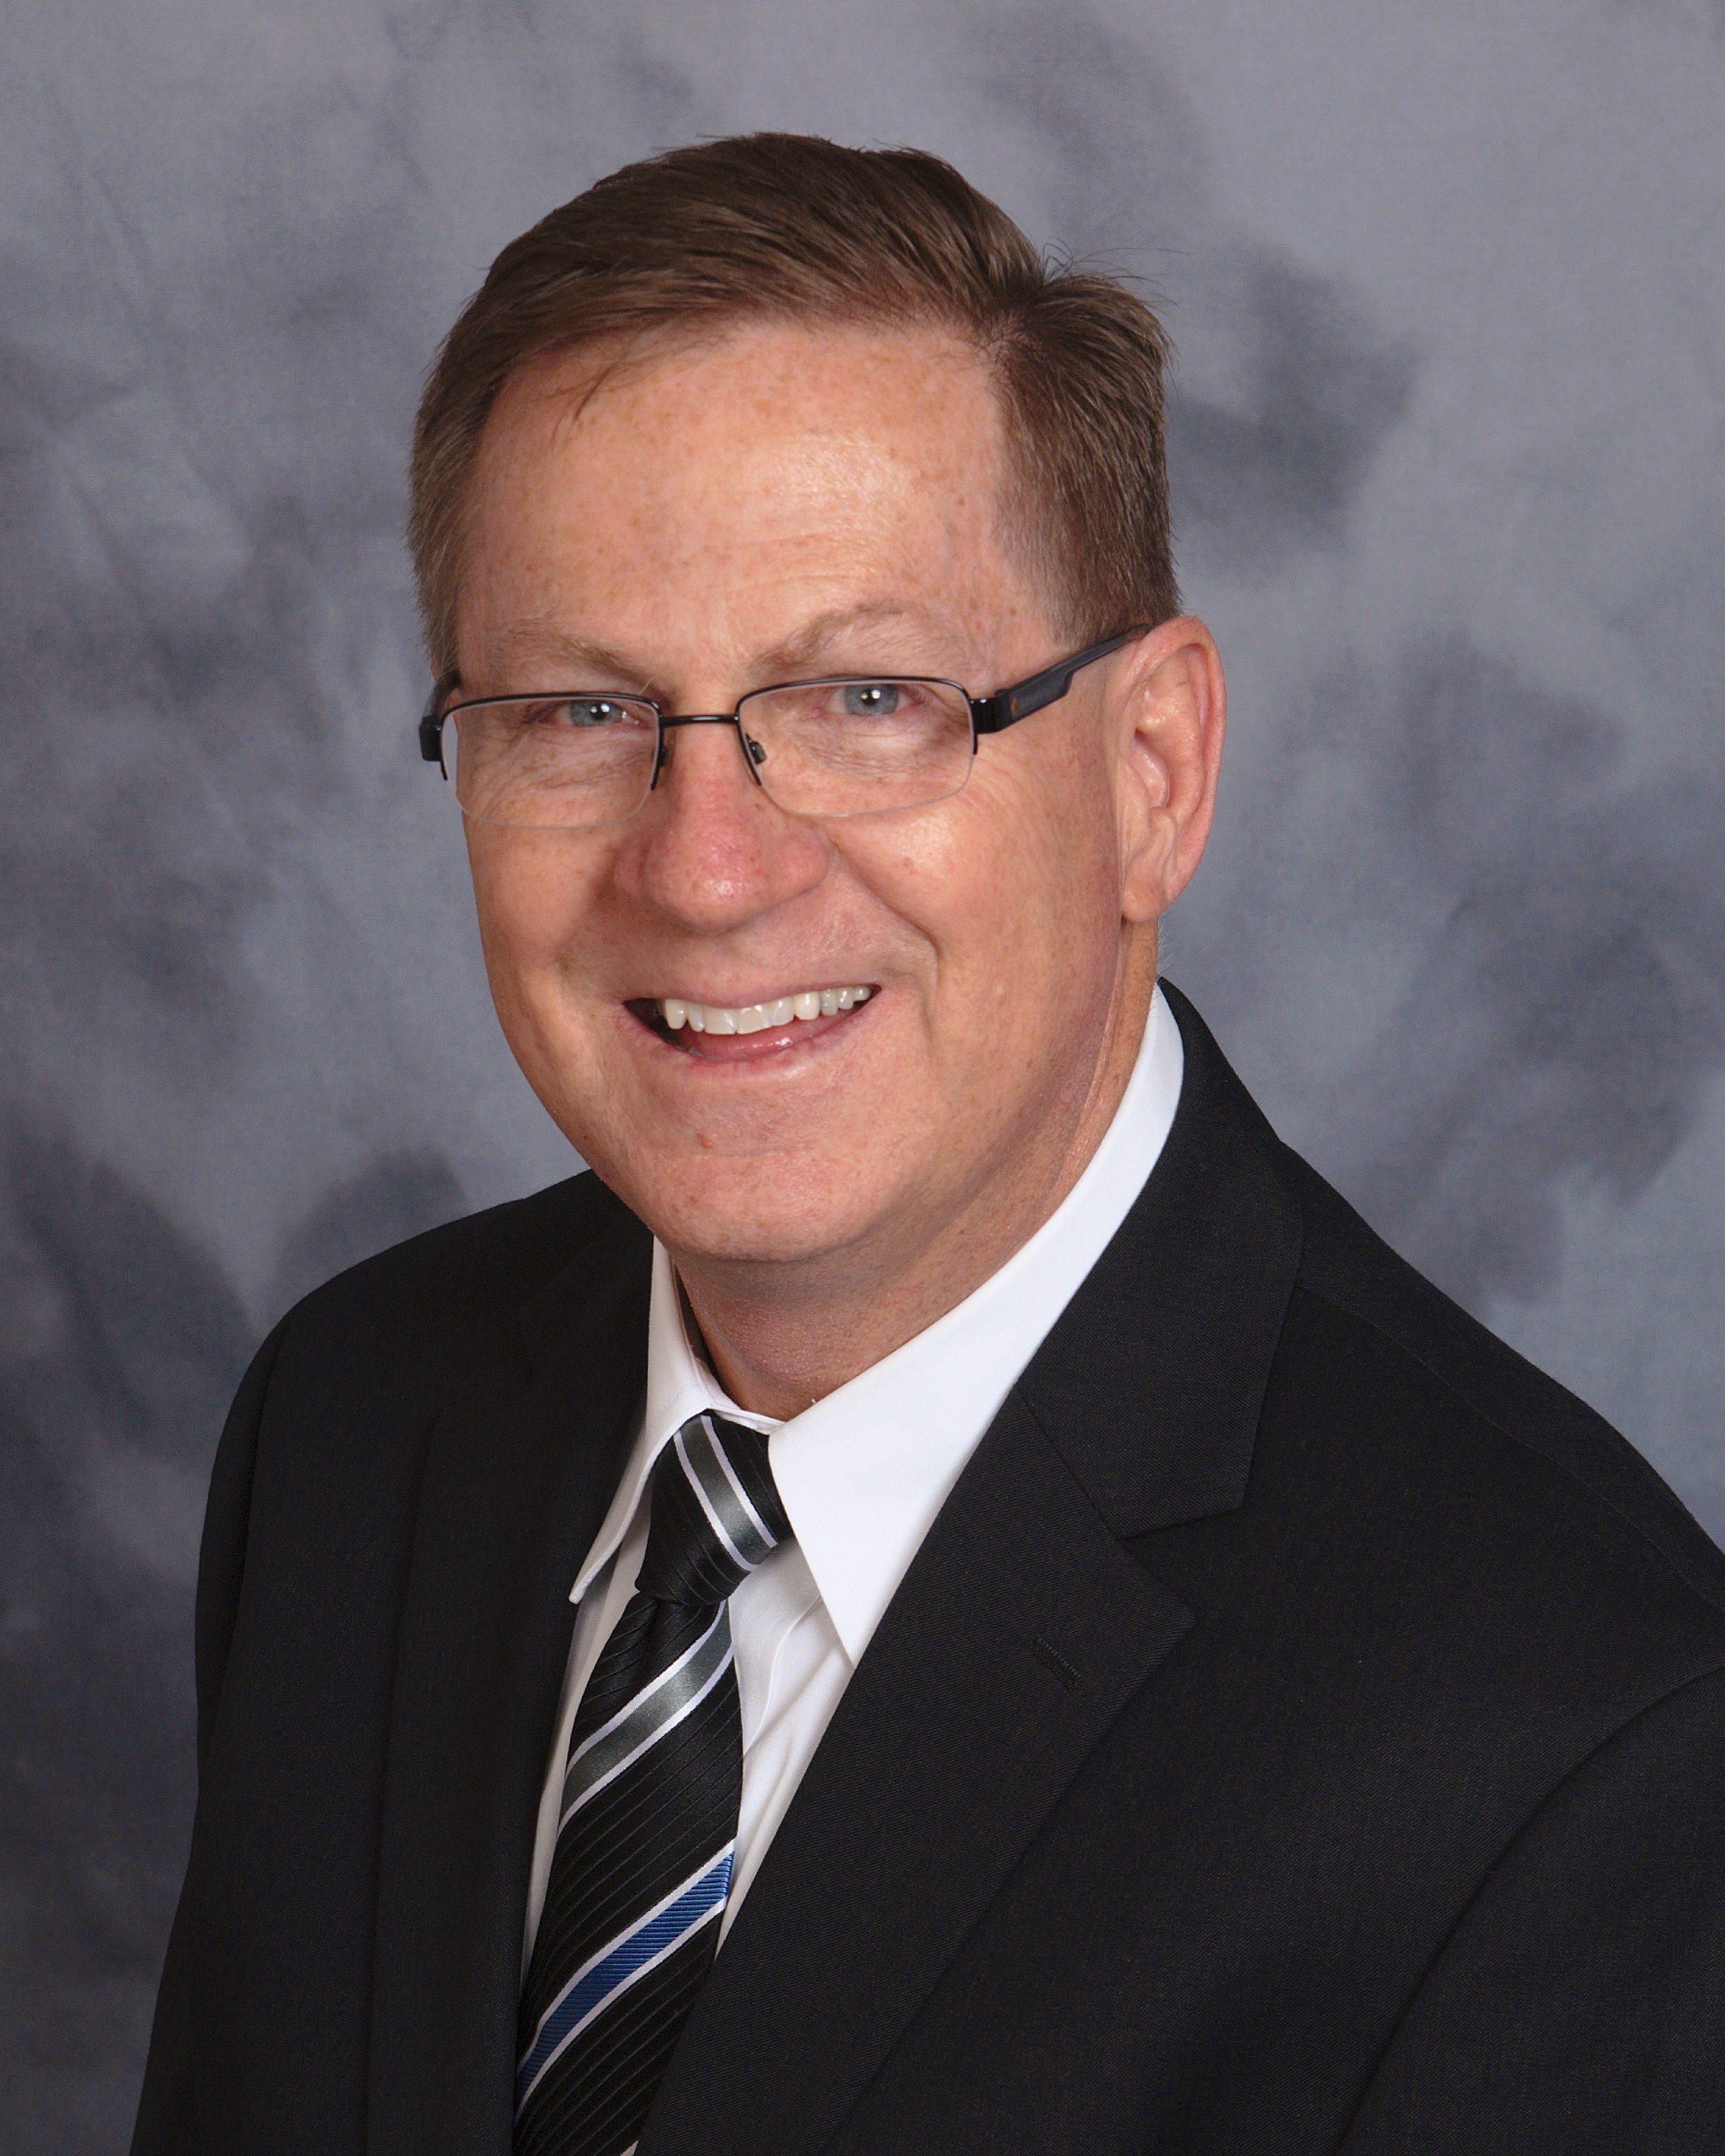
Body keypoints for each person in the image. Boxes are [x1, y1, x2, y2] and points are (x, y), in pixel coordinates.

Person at [132, 134, 1725, 2156]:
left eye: (870, 697)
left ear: (1151, 774)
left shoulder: (1582, 1753)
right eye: (578, 714)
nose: (707, 869)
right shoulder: (354, 1427)